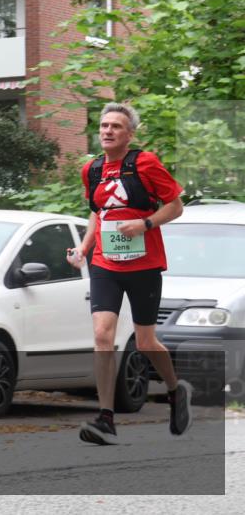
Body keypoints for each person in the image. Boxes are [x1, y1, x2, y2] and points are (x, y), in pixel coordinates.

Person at [66, 102, 191, 445]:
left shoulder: (145, 163)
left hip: (144, 264)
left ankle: (174, 390)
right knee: (103, 336)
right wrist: (84, 249)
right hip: (105, 264)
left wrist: (146, 222)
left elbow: (176, 206)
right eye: (104, 126)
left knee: (146, 341)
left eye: (116, 127)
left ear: (129, 134)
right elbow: (98, 213)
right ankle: (105, 418)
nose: (107, 131)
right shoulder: (91, 170)